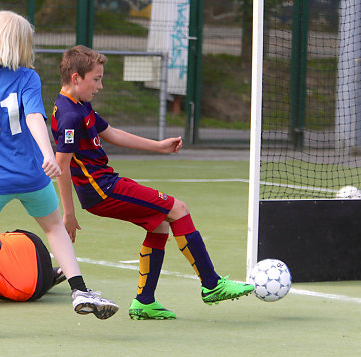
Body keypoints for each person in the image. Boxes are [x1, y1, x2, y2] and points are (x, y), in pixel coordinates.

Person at [0, 12, 117, 336]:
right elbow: (34, 118)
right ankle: (80, 290)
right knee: (56, 228)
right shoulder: (27, 77)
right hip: (32, 177)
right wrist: (48, 155)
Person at [51, 45, 254, 321]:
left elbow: (111, 133)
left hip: (105, 184)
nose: (100, 85)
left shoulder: (77, 104)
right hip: (102, 190)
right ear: (76, 78)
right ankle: (211, 284)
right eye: (96, 79)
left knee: (158, 224)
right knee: (178, 208)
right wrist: (68, 213)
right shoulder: (70, 116)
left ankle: (144, 302)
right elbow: (60, 166)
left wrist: (158, 146)